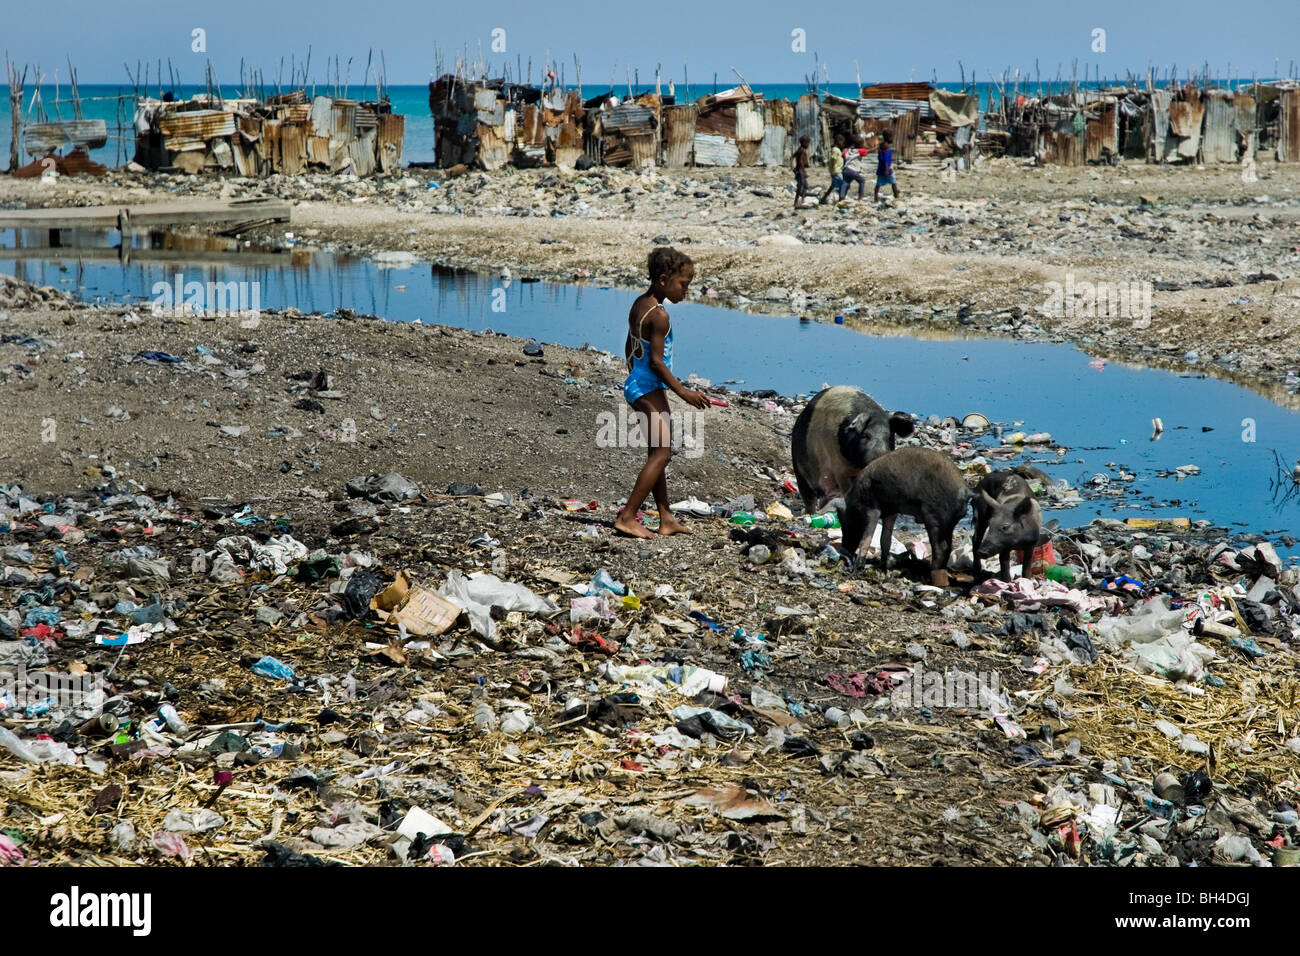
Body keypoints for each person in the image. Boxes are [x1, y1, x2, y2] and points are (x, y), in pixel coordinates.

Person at [615, 247, 711, 539]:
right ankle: (628, 517)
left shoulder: (640, 303)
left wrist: (636, 376)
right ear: (663, 279)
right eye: (683, 284)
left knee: (657, 452)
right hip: (646, 388)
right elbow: (656, 362)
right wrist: (683, 392)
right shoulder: (660, 316)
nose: (686, 290)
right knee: (663, 453)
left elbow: (631, 348)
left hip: (642, 384)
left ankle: (666, 518)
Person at [841, 135, 869, 200]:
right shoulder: (860, 150)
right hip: (853, 170)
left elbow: (843, 156)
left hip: (845, 169)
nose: (863, 145)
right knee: (862, 181)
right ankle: (860, 197)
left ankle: (841, 197)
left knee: (845, 183)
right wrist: (877, 147)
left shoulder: (847, 150)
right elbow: (867, 152)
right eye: (862, 144)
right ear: (859, 145)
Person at [875, 130, 900, 202]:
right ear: (888, 137)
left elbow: (880, 157)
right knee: (893, 182)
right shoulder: (886, 147)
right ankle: (896, 195)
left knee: (878, 184)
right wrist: (886, 169)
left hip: (881, 169)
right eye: (892, 137)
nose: (893, 139)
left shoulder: (881, 145)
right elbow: (886, 159)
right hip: (887, 169)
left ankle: (875, 198)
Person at [820, 134, 845, 205]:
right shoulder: (836, 150)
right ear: (839, 141)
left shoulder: (835, 149)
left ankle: (823, 198)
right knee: (842, 185)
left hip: (837, 171)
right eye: (842, 142)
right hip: (837, 171)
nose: (843, 144)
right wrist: (833, 171)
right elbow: (833, 160)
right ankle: (841, 200)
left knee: (833, 186)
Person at [792, 136, 811, 209]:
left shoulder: (800, 150)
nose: (808, 145)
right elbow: (800, 162)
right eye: (808, 143)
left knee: (806, 186)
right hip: (800, 171)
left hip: (800, 170)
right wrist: (803, 172)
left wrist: (792, 167)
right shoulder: (802, 150)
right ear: (803, 143)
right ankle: (796, 202)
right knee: (800, 187)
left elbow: (792, 157)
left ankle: (802, 200)